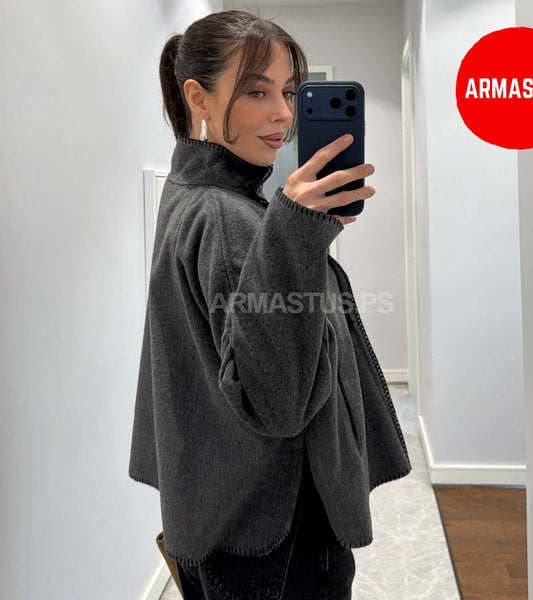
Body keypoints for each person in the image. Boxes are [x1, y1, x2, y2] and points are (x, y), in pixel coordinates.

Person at [129, 10, 411, 600]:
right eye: (257, 92)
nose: (283, 113)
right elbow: (278, 401)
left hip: (225, 510)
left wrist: (294, 231)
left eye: (288, 92)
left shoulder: (191, 190)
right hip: (275, 527)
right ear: (198, 98)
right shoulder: (226, 217)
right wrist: (295, 231)